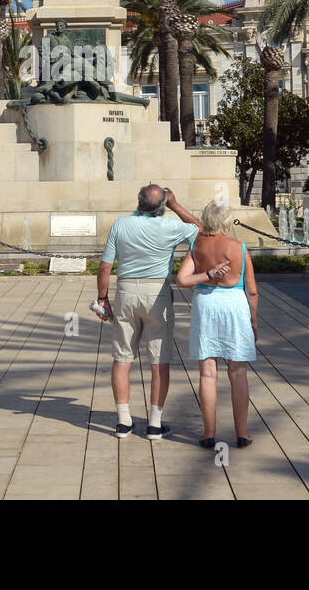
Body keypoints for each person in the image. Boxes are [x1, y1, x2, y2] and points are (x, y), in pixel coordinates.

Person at [95, 185, 201, 441]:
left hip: (126, 292)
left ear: (138, 201)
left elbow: (106, 266)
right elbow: (200, 229)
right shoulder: (171, 227)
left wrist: (102, 298)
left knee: (122, 357)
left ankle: (123, 421)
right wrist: (175, 205)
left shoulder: (120, 225)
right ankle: (154, 424)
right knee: (159, 360)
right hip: (157, 294)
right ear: (162, 205)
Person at [176, 201, 258, 449]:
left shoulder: (196, 246)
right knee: (238, 372)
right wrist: (253, 321)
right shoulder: (239, 247)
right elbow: (252, 291)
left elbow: (182, 279)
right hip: (234, 304)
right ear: (226, 221)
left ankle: (208, 433)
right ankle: (242, 434)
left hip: (206, 305)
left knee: (207, 373)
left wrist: (207, 275)